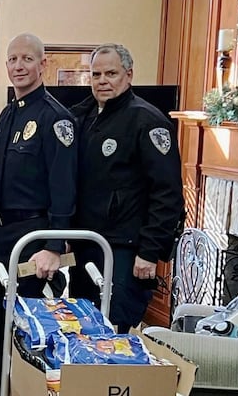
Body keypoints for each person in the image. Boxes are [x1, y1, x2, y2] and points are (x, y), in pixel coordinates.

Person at [68, 43, 184, 333]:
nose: (102, 81)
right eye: (96, 75)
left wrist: (150, 251)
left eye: (111, 73)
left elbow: (167, 194)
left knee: (112, 332)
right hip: (87, 245)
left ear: (129, 75)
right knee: (83, 330)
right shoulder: (82, 118)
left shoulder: (147, 121)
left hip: (126, 250)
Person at [0, 33, 77, 387]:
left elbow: (64, 185)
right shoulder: (9, 114)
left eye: (26, 59)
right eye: (12, 59)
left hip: (34, 239)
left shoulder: (56, 118)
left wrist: (53, 245)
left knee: (29, 330)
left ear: (43, 65)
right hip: (1, 237)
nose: (18, 66)